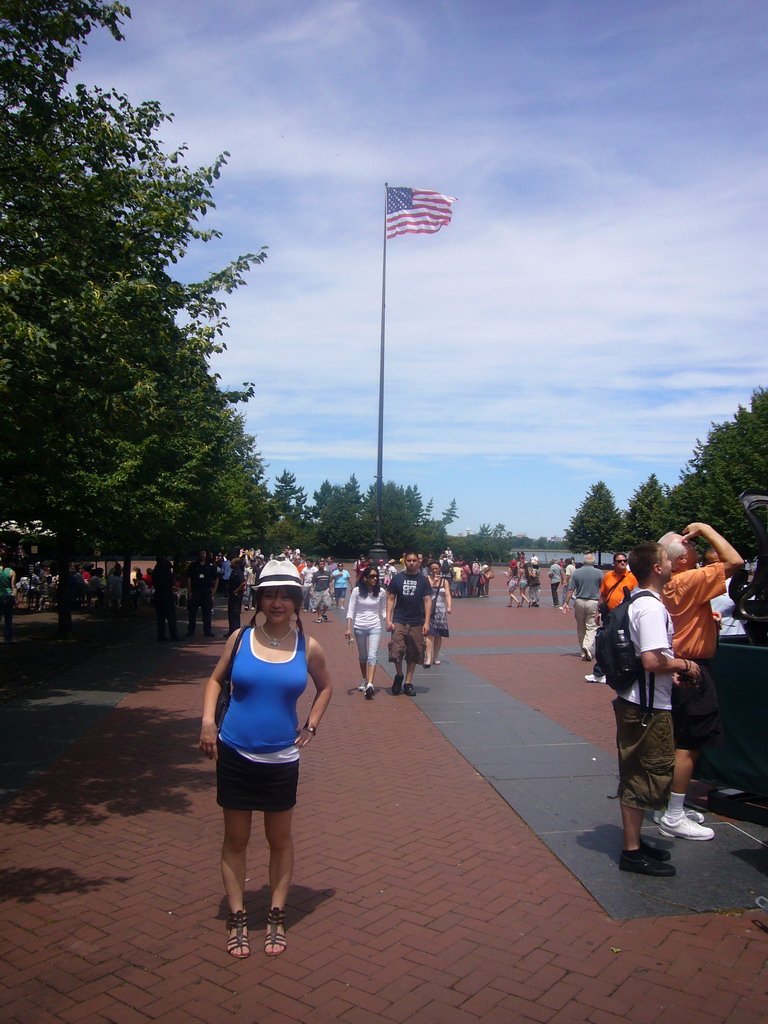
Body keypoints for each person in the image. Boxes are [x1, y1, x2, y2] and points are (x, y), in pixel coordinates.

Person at [199, 559, 333, 959]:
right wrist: (207, 722)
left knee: (279, 840)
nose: (277, 603)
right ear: (259, 598)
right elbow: (214, 680)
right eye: (270, 595)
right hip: (235, 751)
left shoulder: (307, 647)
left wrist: (311, 724)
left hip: (281, 758)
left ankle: (276, 914)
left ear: (296, 600)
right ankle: (239, 917)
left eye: (285, 596)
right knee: (236, 840)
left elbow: (325, 687)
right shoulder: (240, 638)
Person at [614, 542, 701, 877]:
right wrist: (684, 665)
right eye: (667, 559)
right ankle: (632, 853)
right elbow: (652, 660)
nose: (673, 562)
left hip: (638, 700)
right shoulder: (651, 608)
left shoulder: (637, 599)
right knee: (645, 773)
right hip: (647, 708)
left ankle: (635, 842)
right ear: (657, 568)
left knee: (639, 771)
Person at [655, 523, 743, 841]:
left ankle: (665, 804)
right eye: (689, 546)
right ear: (680, 560)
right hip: (693, 669)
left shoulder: (667, 583)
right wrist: (706, 529)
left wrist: (706, 619)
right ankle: (675, 815)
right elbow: (735, 562)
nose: (694, 547)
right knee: (689, 745)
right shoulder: (691, 578)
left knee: (673, 740)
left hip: (673, 667)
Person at [585, 553, 638, 683]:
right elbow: (603, 594)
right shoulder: (608, 576)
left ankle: (624, 671)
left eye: (625, 561)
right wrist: (599, 611)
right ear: (614, 563)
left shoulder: (632, 578)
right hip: (610, 613)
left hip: (625, 615)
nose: (622, 563)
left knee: (624, 643)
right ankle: (599, 672)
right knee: (605, 641)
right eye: (619, 561)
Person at [386, 552, 433, 697]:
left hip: (416, 621)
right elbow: (391, 598)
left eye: (414, 561)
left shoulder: (423, 580)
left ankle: (408, 682)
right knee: (396, 649)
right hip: (400, 619)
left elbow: (427, 600)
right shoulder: (397, 578)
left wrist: (426, 621)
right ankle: (399, 675)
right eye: (409, 561)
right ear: (404, 562)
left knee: (414, 652)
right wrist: (388, 619)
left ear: (418, 562)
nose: (412, 563)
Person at [345, 565, 386, 699]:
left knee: (372, 655)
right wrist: (348, 628)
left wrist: (389, 621)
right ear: (365, 578)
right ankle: (364, 678)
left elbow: (384, 610)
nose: (374, 579)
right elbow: (350, 609)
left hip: (375, 626)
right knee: (363, 656)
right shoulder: (357, 591)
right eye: (371, 576)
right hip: (359, 626)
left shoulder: (381, 592)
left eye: (376, 576)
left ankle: (370, 684)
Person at [562, 554, 603, 660]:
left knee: (581, 626)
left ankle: (583, 650)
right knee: (592, 626)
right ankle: (587, 646)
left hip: (579, 601)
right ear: (593, 562)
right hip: (593, 602)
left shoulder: (577, 572)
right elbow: (603, 590)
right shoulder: (599, 573)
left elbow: (570, 590)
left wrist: (566, 602)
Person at [425, 560, 452, 667]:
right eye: (432, 569)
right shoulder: (426, 579)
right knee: (429, 633)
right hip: (429, 610)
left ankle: (435, 656)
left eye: (436, 568)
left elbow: (447, 594)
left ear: (440, 568)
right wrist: (434, 583)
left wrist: (449, 606)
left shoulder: (444, 581)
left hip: (440, 610)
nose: (435, 571)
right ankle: (428, 658)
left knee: (438, 635)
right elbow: (426, 592)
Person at [187, 550, 218, 637]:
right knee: (192, 613)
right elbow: (188, 578)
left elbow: (216, 577)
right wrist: (189, 591)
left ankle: (208, 630)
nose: (202, 555)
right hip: (195, 591)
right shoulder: (193, 565)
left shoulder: (210, 566)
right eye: (200, 554)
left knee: (207, 613)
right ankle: (191, 630)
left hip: (206, 592)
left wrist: (214, 589)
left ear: (206, 555)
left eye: (203, 554)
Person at [152, 555, 179, 641]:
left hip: (158, 594)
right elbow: (171, 582)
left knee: (160, 617)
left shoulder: (155, 571)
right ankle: (174, 635)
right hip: (167, 594)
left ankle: (161, 635)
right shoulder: (166, 570)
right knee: (171, 616)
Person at [226, 556, 246, 637]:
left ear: (236, 564)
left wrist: (236, 590)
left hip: (236, 596)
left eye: (232, 563)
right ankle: (231, 631)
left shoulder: (238, 572)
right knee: (231, 614)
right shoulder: (233, 571)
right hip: (232, 595)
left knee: (235, 614)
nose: (230, 564)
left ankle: (235, 632)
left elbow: (243, 583)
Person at [0, 555, 16, 643]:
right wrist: (15, 597)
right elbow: (13, 586)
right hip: (9, 595)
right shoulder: (12, 572)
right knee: (8, 618)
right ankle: (8, 638)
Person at [310, 558, 331, 622]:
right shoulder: (316, 574)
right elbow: (313, 583)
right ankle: (319, 617)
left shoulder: (327, 573)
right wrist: (312, 591)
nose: (321, 565)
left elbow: (330, 582)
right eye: (320, 564)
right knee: (317, 604)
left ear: (324, 565)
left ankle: (323, 613)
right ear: (318, 565)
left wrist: (331, 589)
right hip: (318, 590)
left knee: (327, 603)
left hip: (326, 589)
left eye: (322, 564)